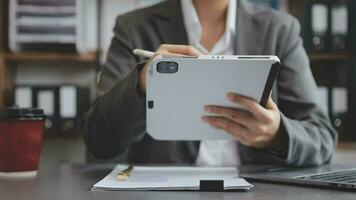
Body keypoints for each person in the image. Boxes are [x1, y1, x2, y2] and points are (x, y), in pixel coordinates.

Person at [84, 0, 337, 166]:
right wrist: (142, 83)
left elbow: (322, 137)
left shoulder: (279, 29)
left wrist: (276, 135)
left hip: (258, 191)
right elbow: (99, 140)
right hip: (165, 193)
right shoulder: (134, 28)